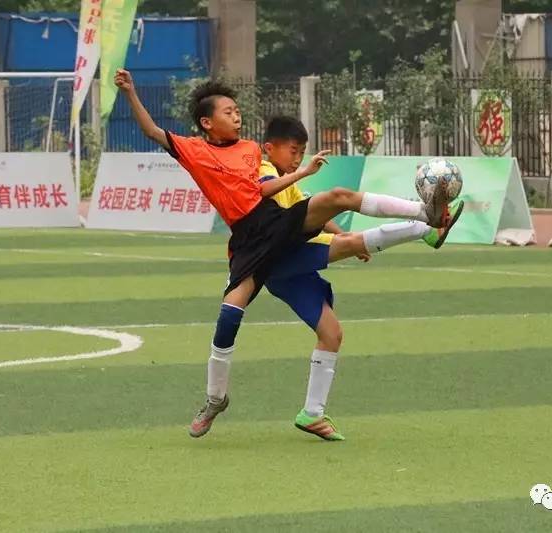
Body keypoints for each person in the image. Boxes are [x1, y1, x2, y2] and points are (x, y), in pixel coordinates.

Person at [113, 69, 459, 439]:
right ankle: (215, 399)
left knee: (337, 198)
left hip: (274, 222)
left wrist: (303, 176)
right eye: (228, 111)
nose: (236, 115)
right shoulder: (193, 150)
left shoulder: (249, 150)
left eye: (237, 110)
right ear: (206, 122)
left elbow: (264, 196)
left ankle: (426, 215)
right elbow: (152, 130)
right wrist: (132, 92)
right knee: (230, 314)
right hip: (249, 240)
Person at [259, 116, 463, 440]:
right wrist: (344, 239)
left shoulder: (289, 182)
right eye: (293, 151)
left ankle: (311, 414)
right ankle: (427, 226)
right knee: (349, 229)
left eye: (301, 152)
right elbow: (276, 200)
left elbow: (312, 213)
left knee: (332, 333)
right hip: (278, 255)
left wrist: (341, 233)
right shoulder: (265, 171)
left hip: (285, 265)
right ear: (270, 148)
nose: (298, 158)